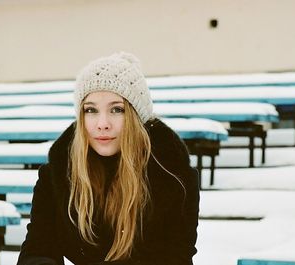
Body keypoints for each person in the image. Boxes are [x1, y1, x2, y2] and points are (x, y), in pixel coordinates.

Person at [17, 52, 200, 265]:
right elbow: (38, 250)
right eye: (91, 110)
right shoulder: (57, 175)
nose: (102, 123)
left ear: (136, 118)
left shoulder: (174, 178)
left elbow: (174, 258)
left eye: (116, 109)